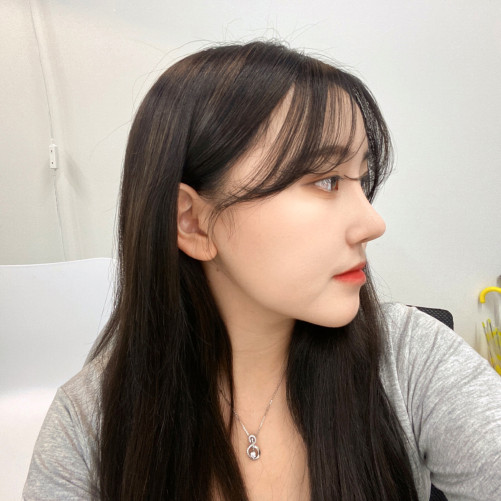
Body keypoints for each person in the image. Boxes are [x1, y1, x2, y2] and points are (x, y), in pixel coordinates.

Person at [23, 41, 501, 501]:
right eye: (327, 180)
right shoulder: (88, 426)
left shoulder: (412, 360)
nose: (373, 223)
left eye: (362, 178)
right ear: (192, 222)